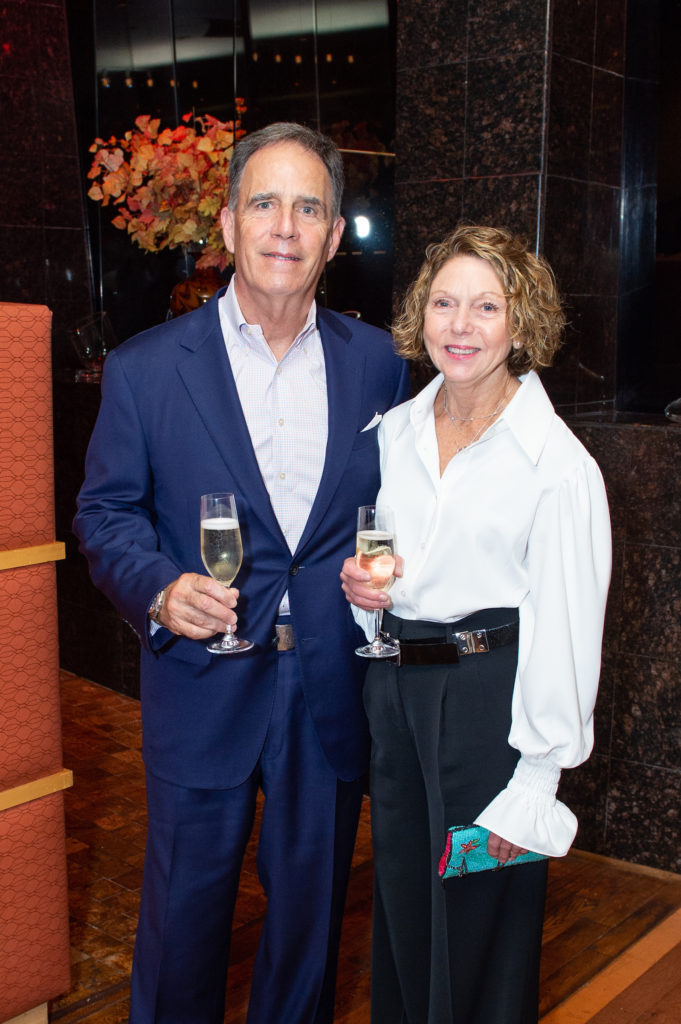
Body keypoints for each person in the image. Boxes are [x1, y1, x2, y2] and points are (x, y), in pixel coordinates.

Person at [73, 122, 410, 1024]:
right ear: (226, 225)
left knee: (306, 933)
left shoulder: (378, 363)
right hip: (202, 684)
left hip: (328, 689)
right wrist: (156, 586)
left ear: (336, 236)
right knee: (182, 930)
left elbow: (402, 506)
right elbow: (102, 515)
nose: (285, 227)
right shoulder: (147, 369)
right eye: (264, 203)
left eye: (309, 208)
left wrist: (394, 575)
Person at [340, 224, 611, 1024]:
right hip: (395, 693)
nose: (460, 325)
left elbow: (566, 633)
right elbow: (394, 565)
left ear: (520, 325)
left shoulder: (558, 467)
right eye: (444, 303)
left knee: (476, 932)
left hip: (491, 712)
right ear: (419, 316)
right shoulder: (392, 433)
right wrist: (363, 590)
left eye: (486, 306)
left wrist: (533, 783)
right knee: (402, 916)